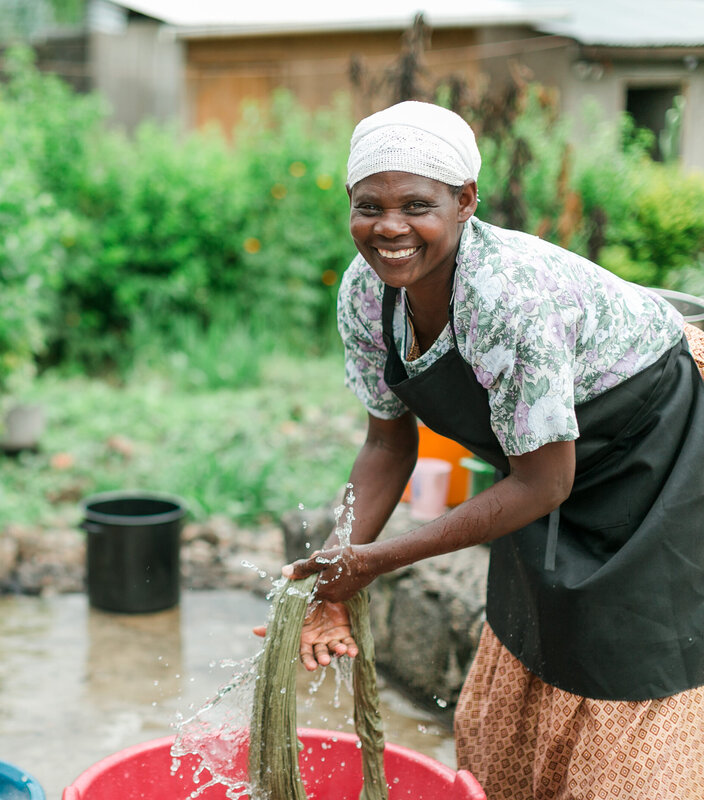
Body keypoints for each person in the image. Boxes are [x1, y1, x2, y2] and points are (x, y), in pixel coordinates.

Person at [276, 101, 704, 798]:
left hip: (651, 437)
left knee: (637, 648)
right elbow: (387, 446)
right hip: (543, 456)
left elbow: (541, 487)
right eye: (367, 206)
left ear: (466, 201)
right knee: (537, 623)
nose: (389, 228)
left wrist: (377, 561)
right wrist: (336, 563)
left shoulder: (505, 298)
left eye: (417, 205)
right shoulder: (366, 295)